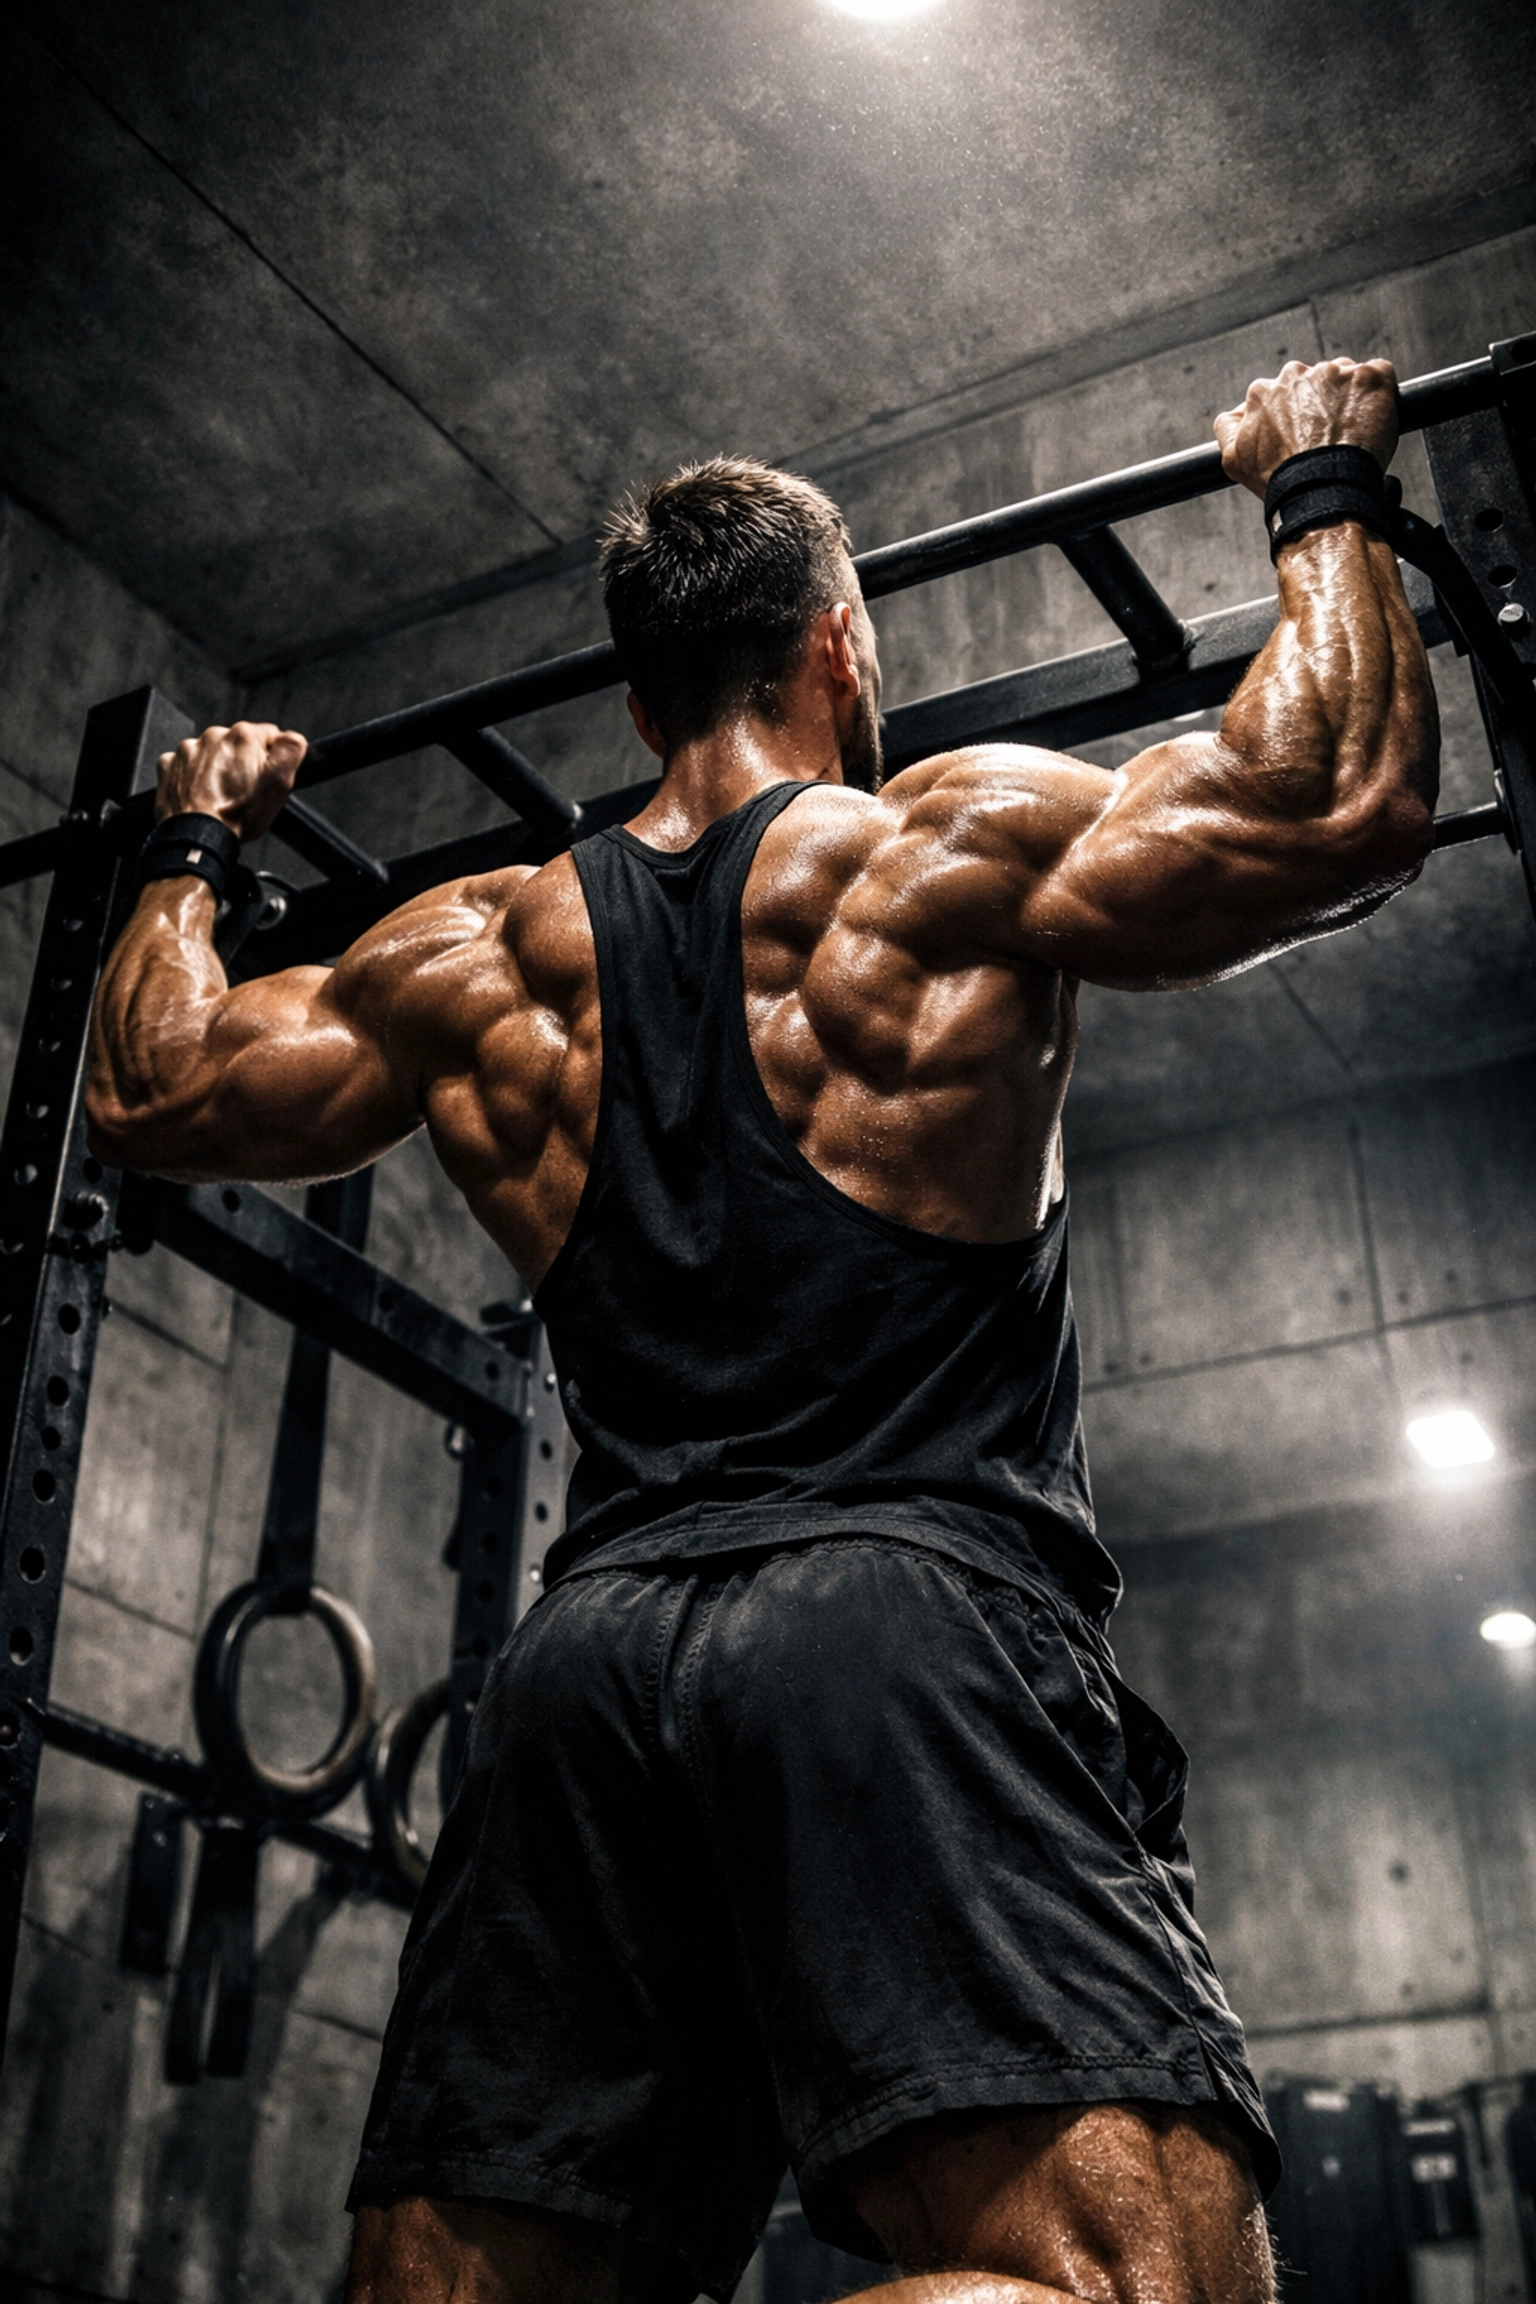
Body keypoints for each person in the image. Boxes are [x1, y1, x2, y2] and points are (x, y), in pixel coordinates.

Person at [88, 357, 1438, 2304]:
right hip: (900, 1617)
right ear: (840, 641)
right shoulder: (917, 858)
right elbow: (1335, 799)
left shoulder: (467, 956)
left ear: (640, 701)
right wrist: (1321, 485)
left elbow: (155, 1092)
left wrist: (194, 847)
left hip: (578, 1676)